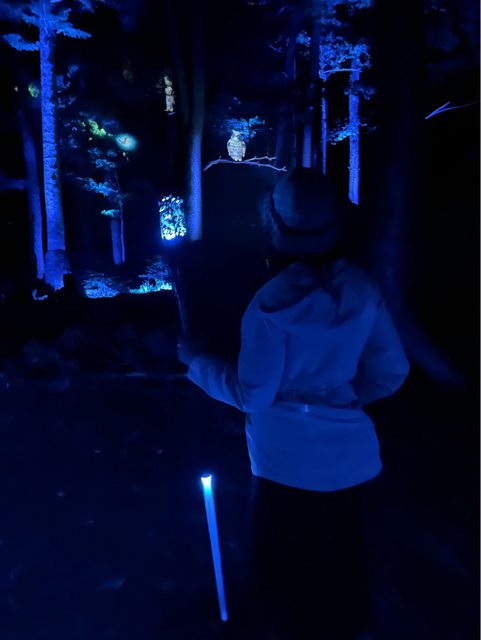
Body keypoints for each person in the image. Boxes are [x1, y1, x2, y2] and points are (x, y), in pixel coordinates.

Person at [177, 168, 410, 639]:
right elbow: (392, 370)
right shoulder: (362, 288)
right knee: (344, 576)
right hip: (352, 464)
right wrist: (341, 402)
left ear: (276, 225)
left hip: (283, 466)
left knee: (286, 584)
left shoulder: (269, 303)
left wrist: (197, 362)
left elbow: (253, 394)